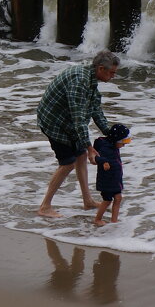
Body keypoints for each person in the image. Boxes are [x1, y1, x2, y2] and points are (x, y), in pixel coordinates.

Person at [36, 50, 119, 218]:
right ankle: (44, 207)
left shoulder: (91, 80)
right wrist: (90, 148)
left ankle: (87, 202)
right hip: (53, 121)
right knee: (68, 162)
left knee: (80, 156)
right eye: (111, 73)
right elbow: (79, 119)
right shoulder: (79, 81)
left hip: (67, 120)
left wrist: (112, 135)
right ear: (101, 68)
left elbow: (96, 110)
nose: (113, 76)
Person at [92, 122, 130, 226]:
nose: (124, 144)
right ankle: (97, 219)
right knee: (107, 200)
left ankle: (114, 221)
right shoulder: (105, 148)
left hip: (115, 179)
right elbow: (96, 157)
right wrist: (104, 162)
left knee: (118, 198)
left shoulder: (114, 146)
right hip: (106, 180)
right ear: (116, 139)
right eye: (123, 142)